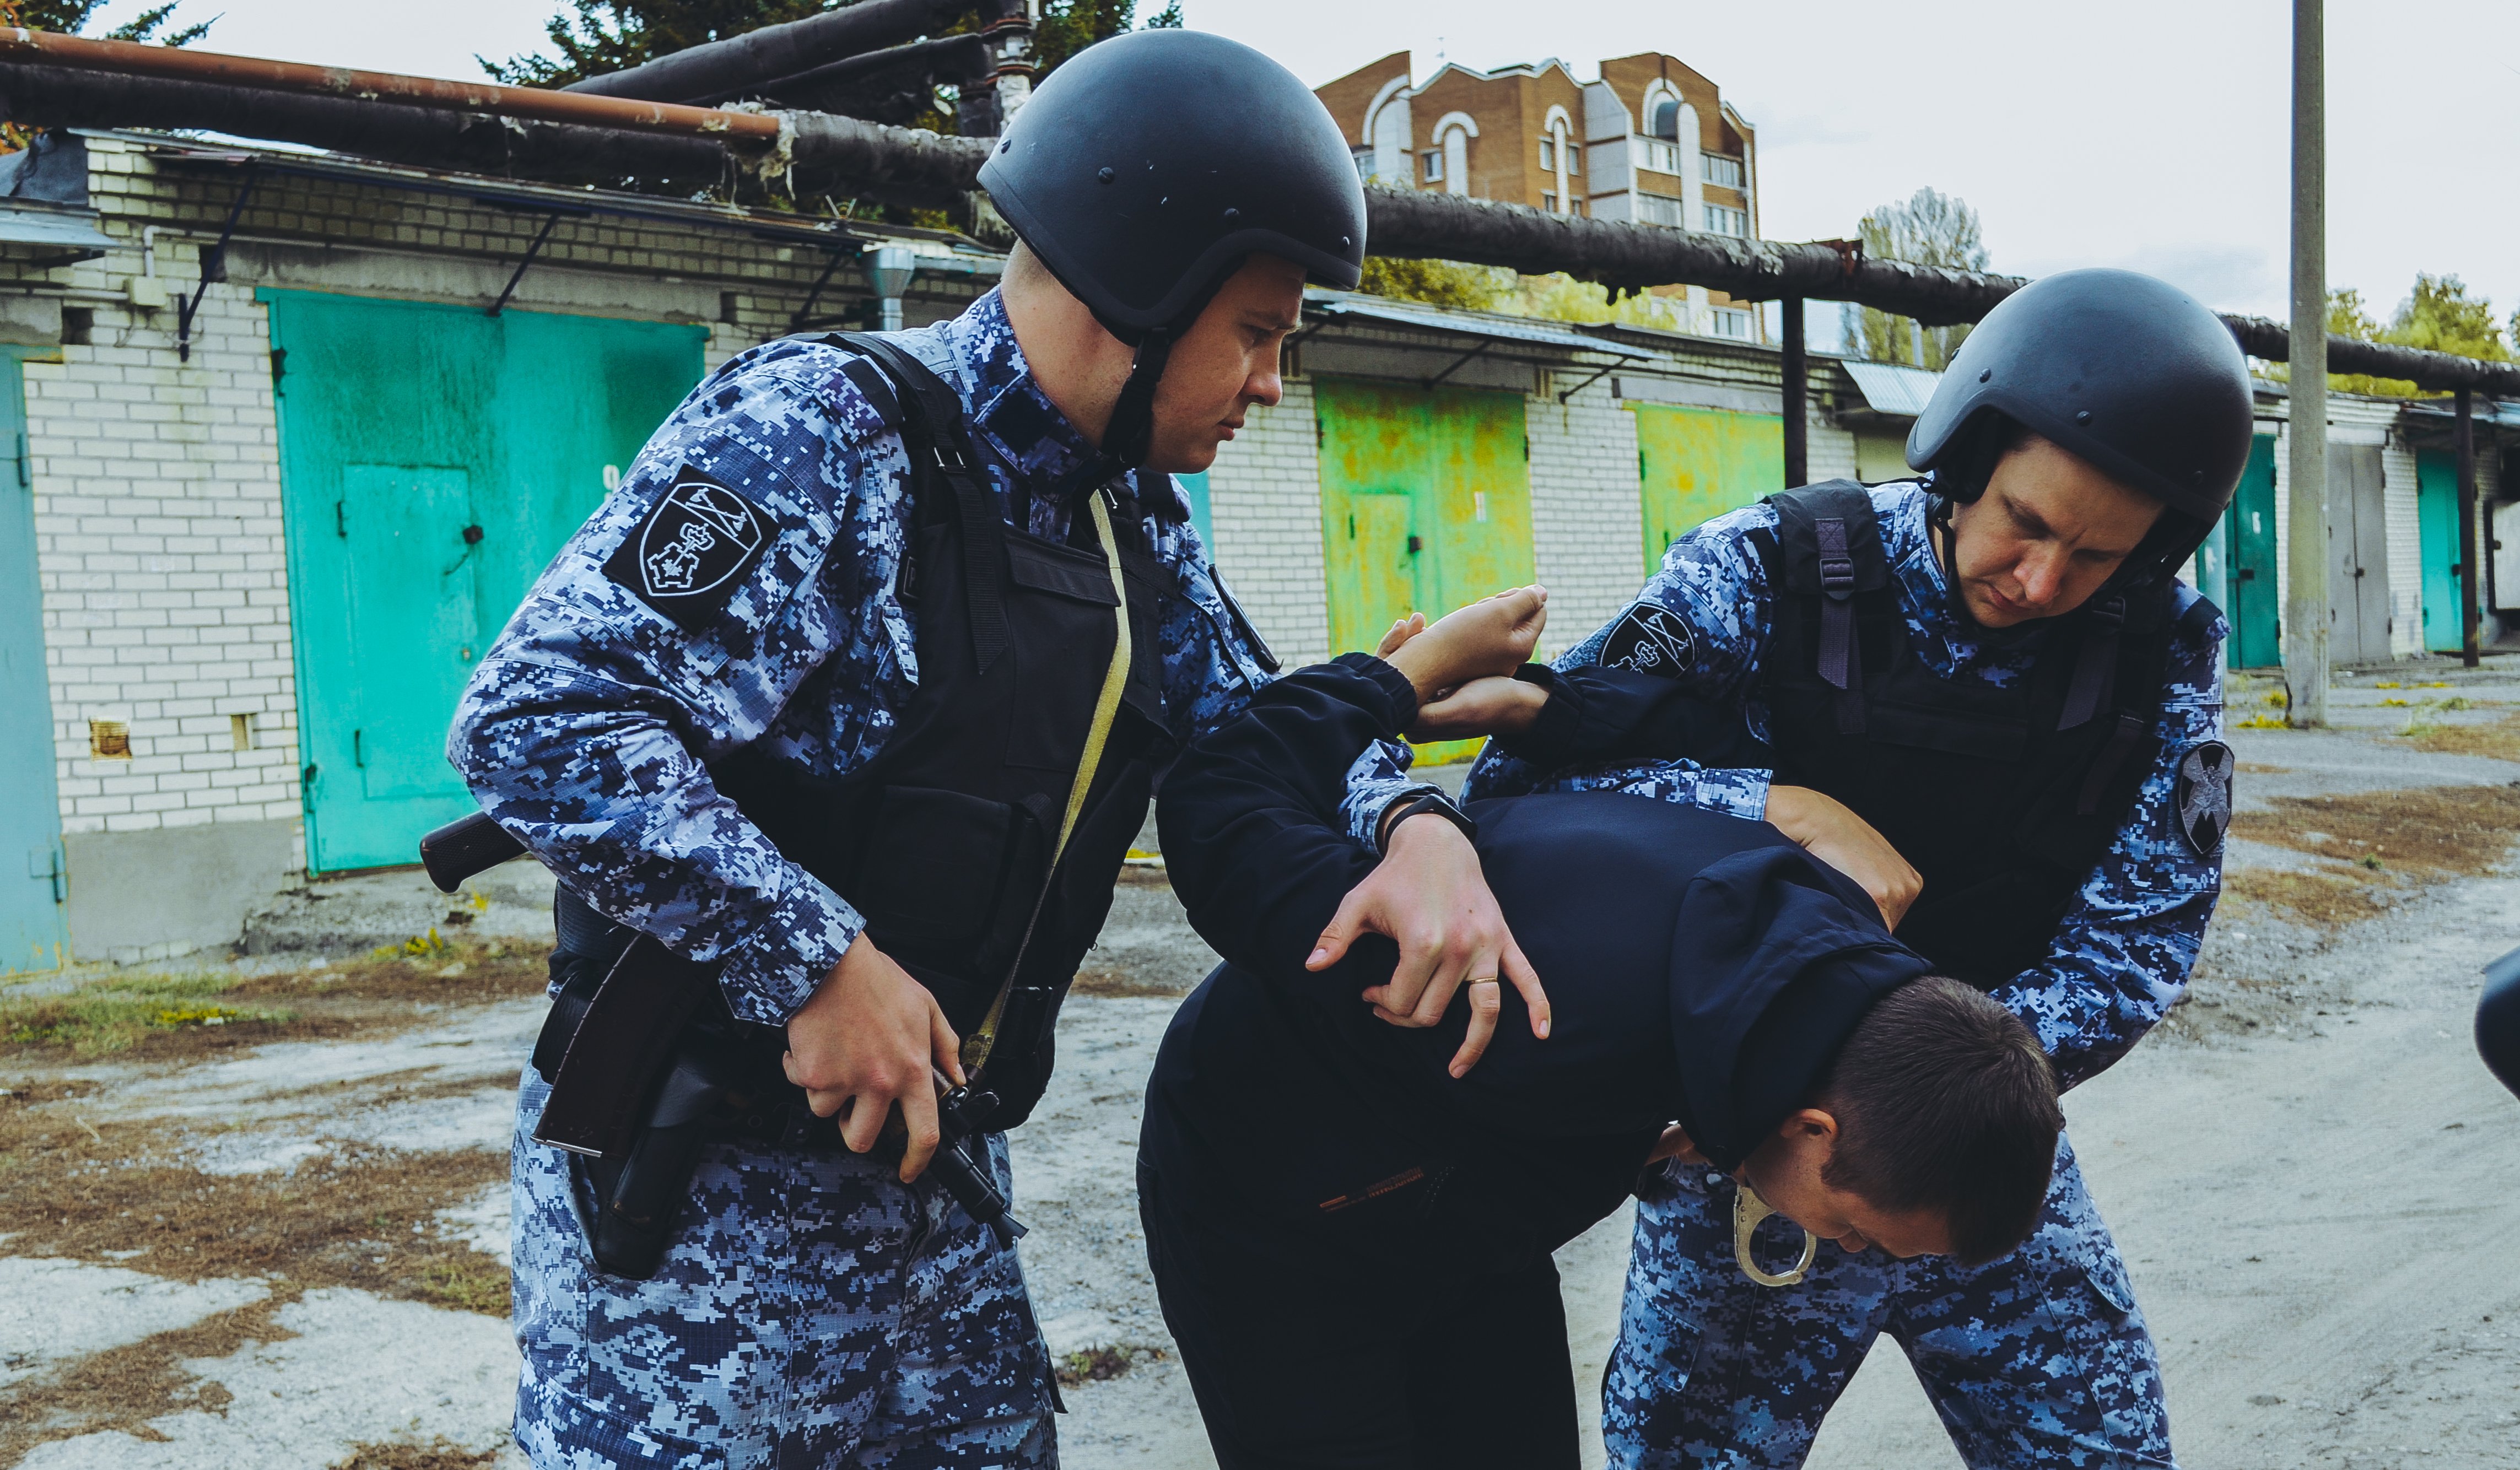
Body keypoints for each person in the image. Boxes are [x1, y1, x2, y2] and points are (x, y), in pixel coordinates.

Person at [441, 29, 1507, 1468]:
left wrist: (1405, 825)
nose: (1269, 382)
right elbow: (534, 715)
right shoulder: (819, 434)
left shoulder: (1120, 517)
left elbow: (1251, 727)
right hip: (694, 1216)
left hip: (931, 1208)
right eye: (1256, 329)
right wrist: (811, 955)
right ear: (1137, 290)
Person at [1348, 268, 2252, 1467]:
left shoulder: (2161, 647)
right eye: (2024, 523)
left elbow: (2138, 938)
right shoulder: (1771, 570)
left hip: (1966, 1139)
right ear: (1966, 454)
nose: (2038, 581)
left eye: (2091, 557)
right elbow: (1530, 792)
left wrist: (1938, 1097)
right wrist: (1772, 806)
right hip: (1754, 1149)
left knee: (2101, 1450)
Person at [1140, 587, 2066, 1470]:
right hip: (1275, 1228)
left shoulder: (1816, 987)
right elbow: (1223, 794)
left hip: (1471, 1224)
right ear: (1815, 1132)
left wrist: (1728, 1109)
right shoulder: (1518, 997)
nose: (1846, 1251)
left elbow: (1647, 751)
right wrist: (1403, 685)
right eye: (1860, 1234)